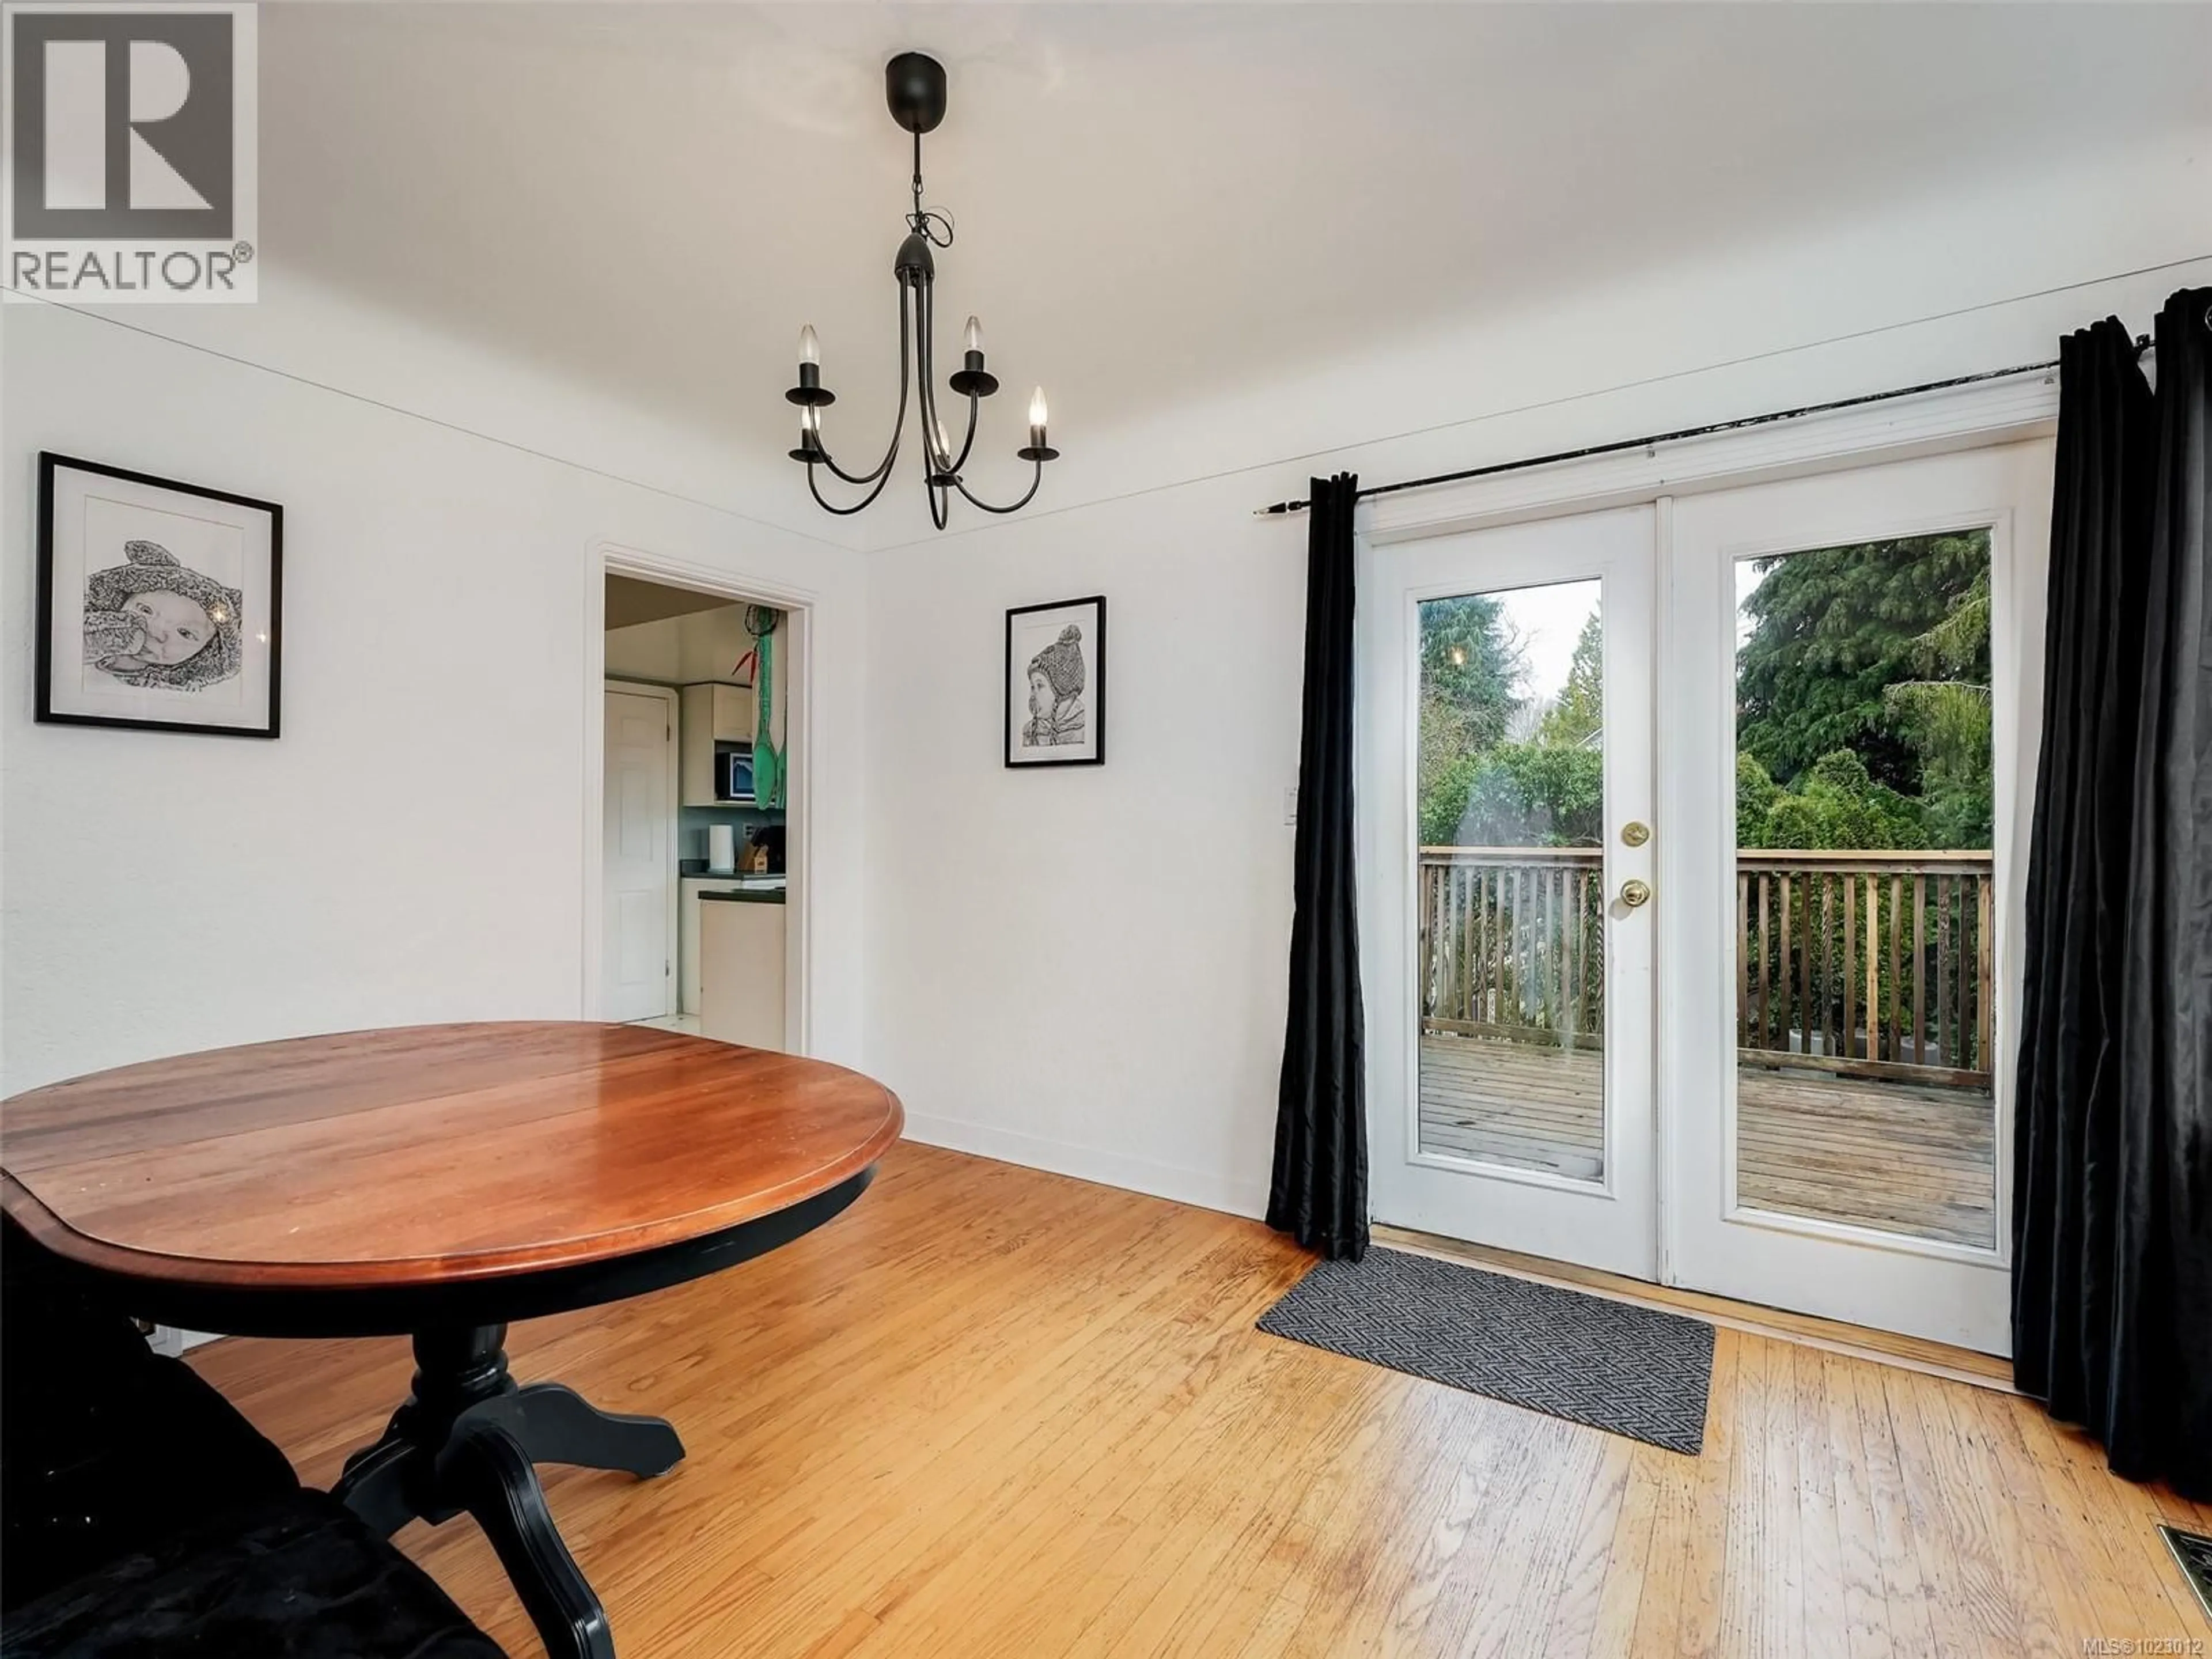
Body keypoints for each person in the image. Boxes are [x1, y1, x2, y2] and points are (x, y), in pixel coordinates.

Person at [81, 541, 243, 691]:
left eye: (185, 633)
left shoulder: (180, 691)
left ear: (205, 653)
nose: (156, 632)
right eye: (146, 610)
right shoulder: (86, 634)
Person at [1022, 623, 1086, 748]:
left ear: (1063, 691)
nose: (1033, 695)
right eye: (1032, 687)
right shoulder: (1029, 731)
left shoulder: (1083, 727)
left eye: (1040, 686)